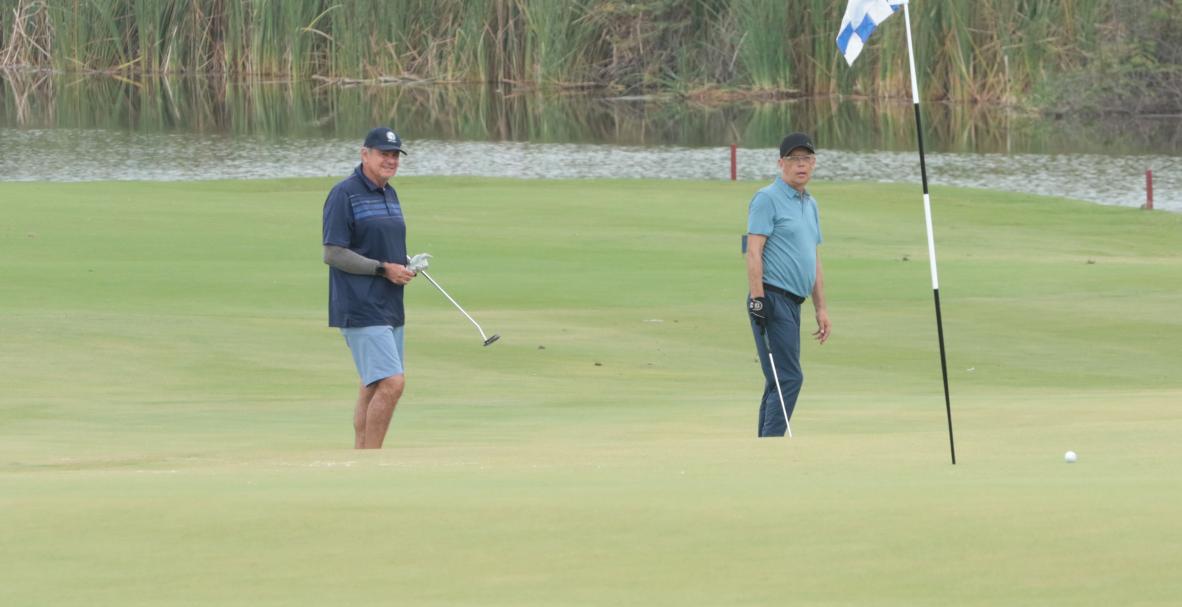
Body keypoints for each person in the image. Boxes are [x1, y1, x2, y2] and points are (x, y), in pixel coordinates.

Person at [322, 126, 417, 449]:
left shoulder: (389, 193)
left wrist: (403, 264)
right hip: (360, 303)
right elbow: (333, 253)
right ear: (365, 154)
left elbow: (378, 243)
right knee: (392, 382)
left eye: (394, 155)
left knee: (372, 383)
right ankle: (372, 459)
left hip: (390, 302)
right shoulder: (344, 193)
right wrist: (382, 268)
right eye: (383, 154)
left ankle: (361, 456)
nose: (390, 161)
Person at [745, 132, 832, 437]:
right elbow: (753, 251)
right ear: (780, 163)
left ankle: (762, 446)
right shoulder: (766, 199)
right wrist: (758, 300)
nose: (801, 165)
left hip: (795, 302)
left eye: (806, 159)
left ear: (814, 163)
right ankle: (771, 444)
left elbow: (813, 257)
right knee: (789, 378)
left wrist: (821, 307)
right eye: (794, 159)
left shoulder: (811, 205)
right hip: (771, 297)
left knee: (778, 380)